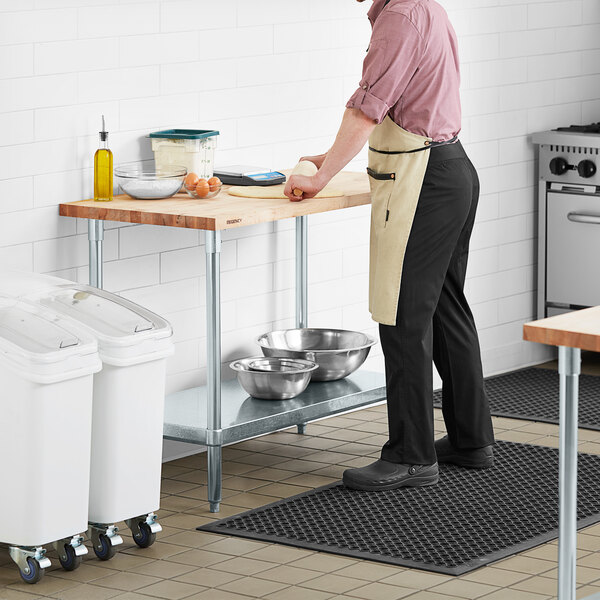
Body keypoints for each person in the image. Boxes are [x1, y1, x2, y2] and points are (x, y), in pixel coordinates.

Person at [284, 0, 495, 491]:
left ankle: (411, 456)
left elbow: (367, 107)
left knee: (401, 317)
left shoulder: (400, 16)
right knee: (446, 309)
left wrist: (321, 176)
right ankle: (470, 440)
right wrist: (327, 158)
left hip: (421, 181)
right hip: (449, 170)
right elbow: (405, 105)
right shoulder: (423, 7)